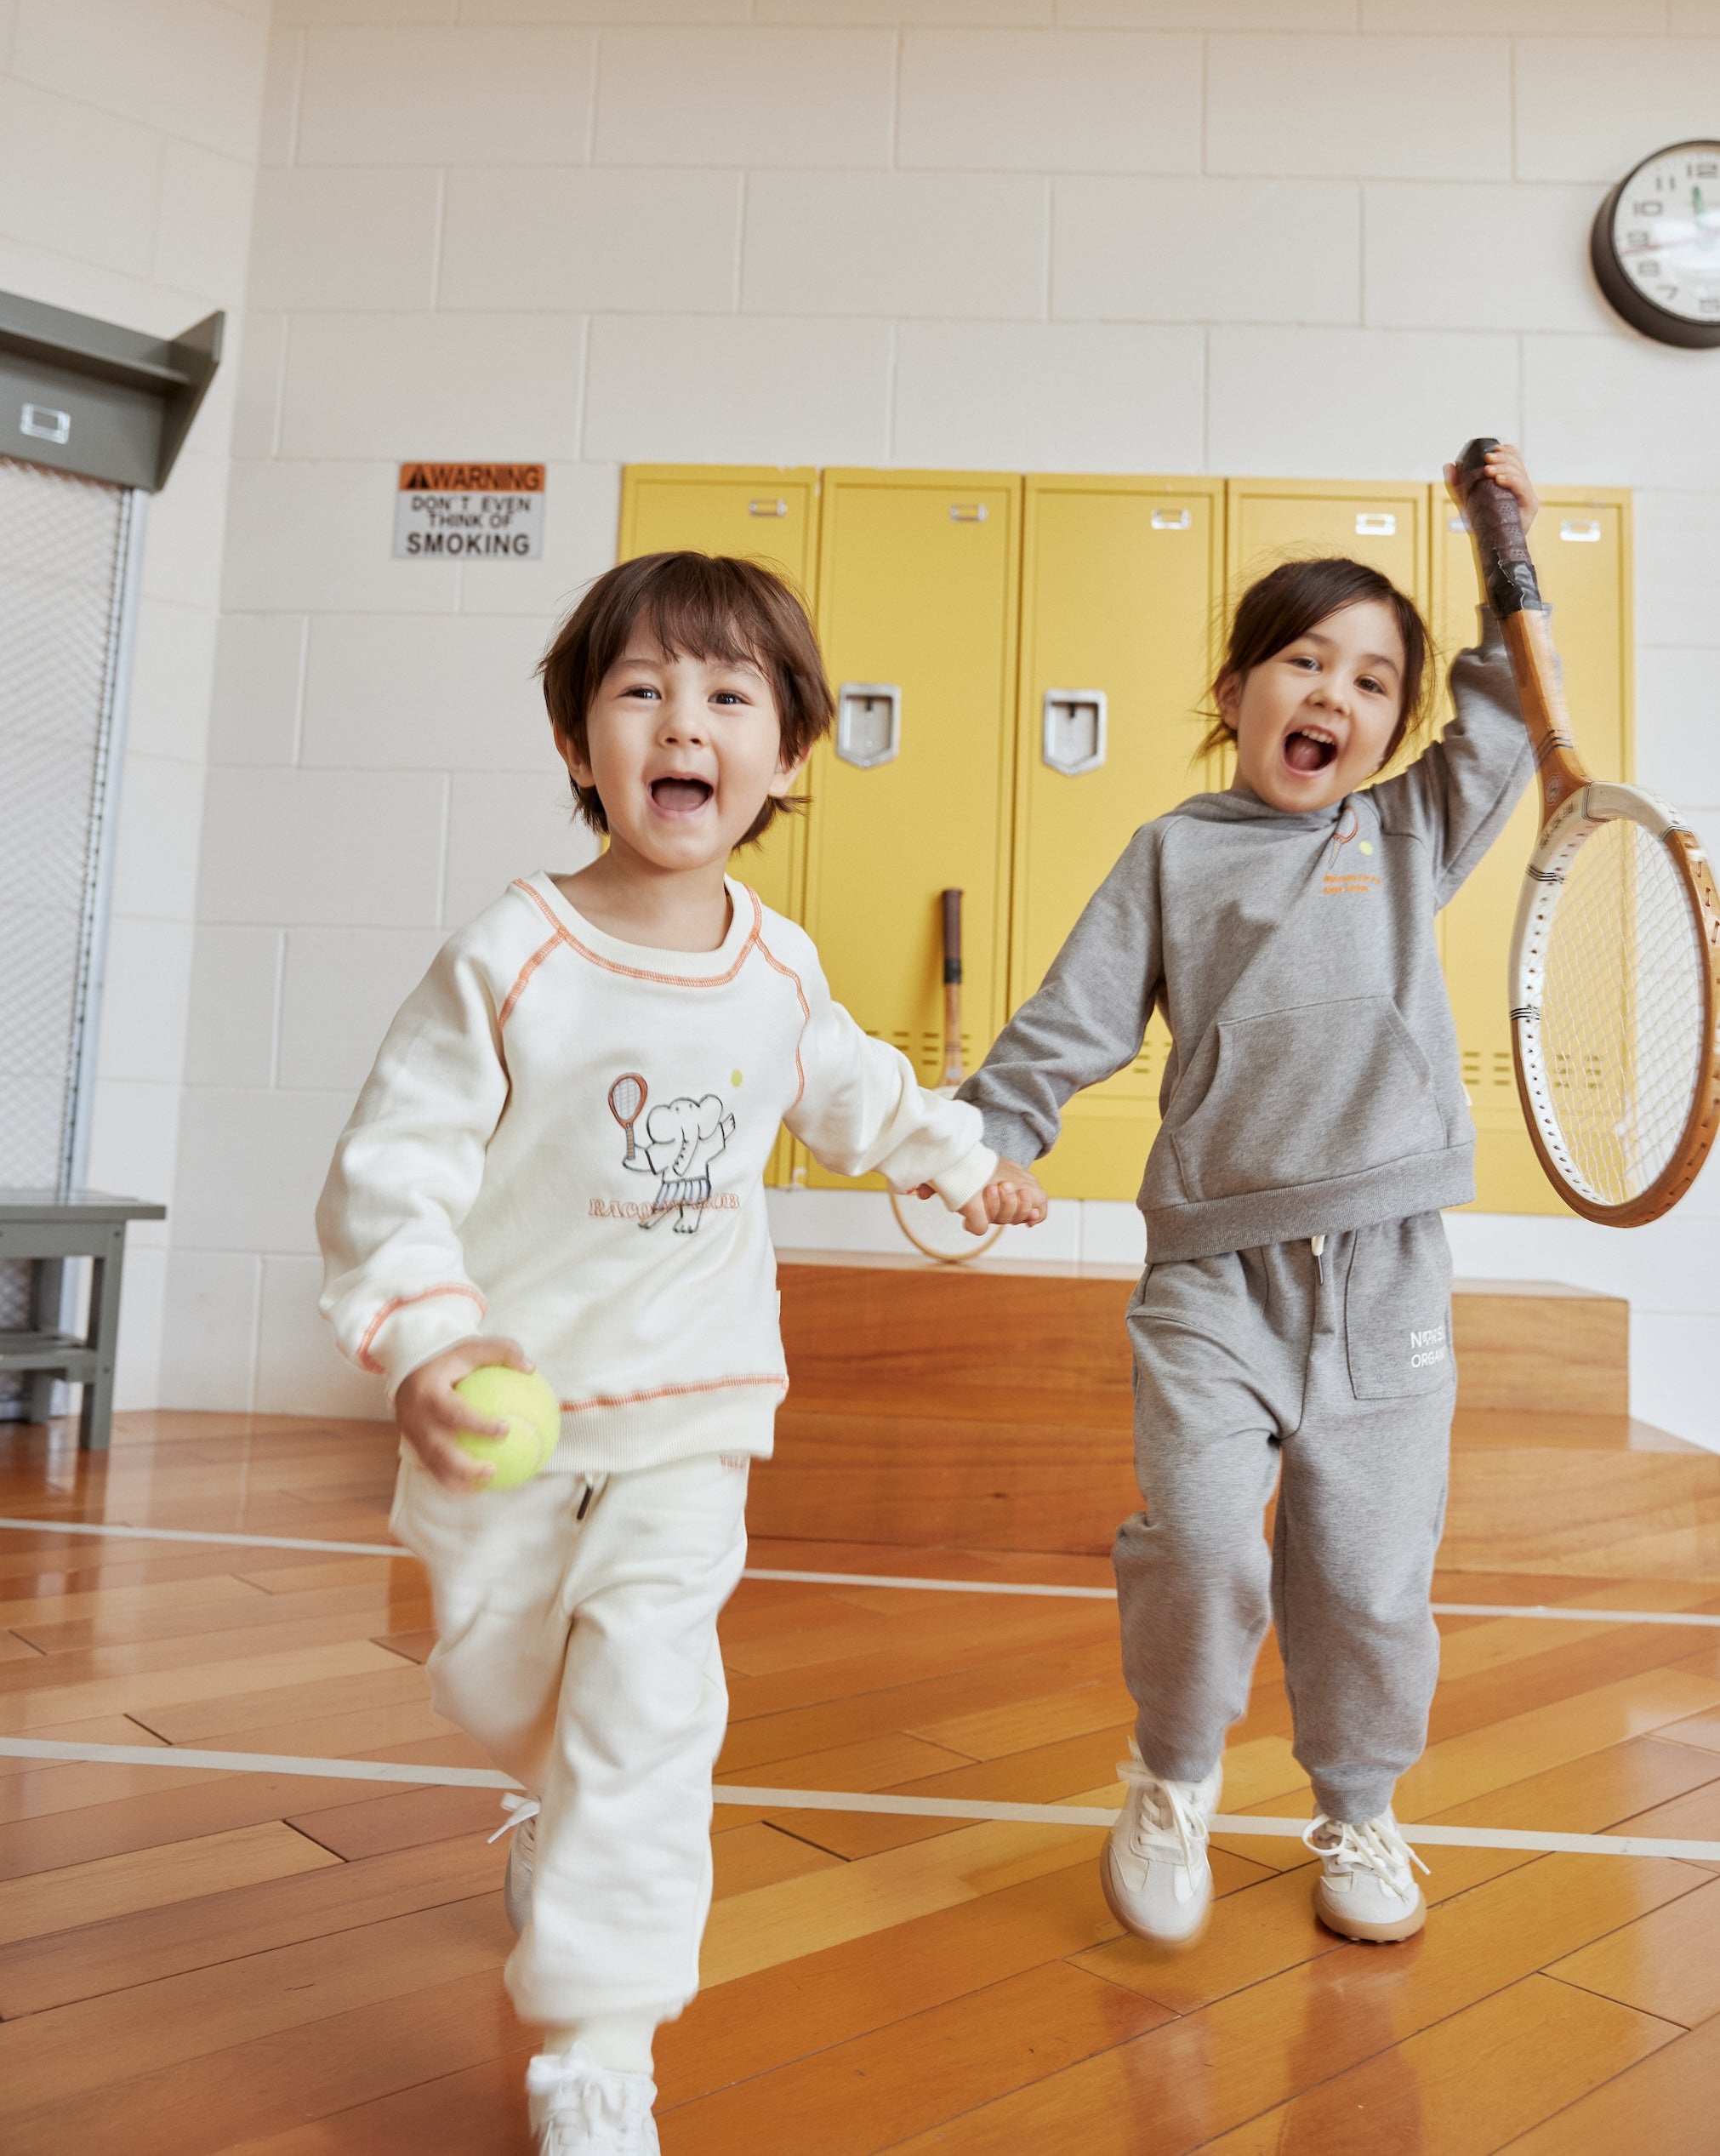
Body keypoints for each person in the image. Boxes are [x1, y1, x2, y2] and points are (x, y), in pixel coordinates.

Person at [315, 550, 1037, 2156]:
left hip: (690, 1416)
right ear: (581, 742)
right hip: (509, 1420)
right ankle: (547, 1800)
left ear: (786, 755)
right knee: (499, 1680)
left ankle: (599, 2047)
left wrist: (959, 1163)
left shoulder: (775, 969)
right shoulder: (512, 956)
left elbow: (858, 1094)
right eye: (640, 688)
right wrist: (430, 1342)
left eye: (727, 695)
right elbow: (395, 1166)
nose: (681, 720)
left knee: (647, 1701)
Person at [960, 448, 1539, 1951]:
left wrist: (1504, 544)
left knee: (1362, 1574)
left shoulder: (1408, 834)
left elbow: (1502, 717)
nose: (1331, 696)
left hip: (1386, 1276)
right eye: (1301, 660)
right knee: (1207, 1545)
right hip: (1210, 1279)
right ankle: (1169, 1778)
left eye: (1369, 680)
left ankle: (1358, 1806)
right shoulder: (1171, 855)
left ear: (1386, 729)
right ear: (1234, 691)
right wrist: (990, 1137)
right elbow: (1069, 1022)